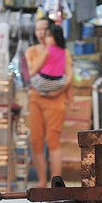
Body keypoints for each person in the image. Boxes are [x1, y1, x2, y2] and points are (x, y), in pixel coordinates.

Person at [25, 18, 72, 188]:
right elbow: (31, 72)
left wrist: (57, 91)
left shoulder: (62, 51)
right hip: (35, 99)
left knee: (53, 140)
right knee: (36, 140)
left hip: (56, 100)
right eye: (37, 29)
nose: (40, 33)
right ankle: (42, 181)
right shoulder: (31, 51)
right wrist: (45, 53)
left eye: (43, 29)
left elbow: (69, 75)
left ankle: (56, 183)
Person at [27, 22, 68, 96]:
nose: (45, 38)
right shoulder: (63, 51)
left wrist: (29, 75)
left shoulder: (48, 51)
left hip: (43, 81)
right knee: (64, 78)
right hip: (58, 83)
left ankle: (42, 93)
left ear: (55, 38)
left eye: (48, 36)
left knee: (32, 80)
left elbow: (38, 66)